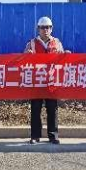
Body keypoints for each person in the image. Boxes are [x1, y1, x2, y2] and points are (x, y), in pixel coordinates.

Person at [24, 16, 65, 145]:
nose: (45, 30)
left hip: (51, 81)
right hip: (37, 81)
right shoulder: (31, 43)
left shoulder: (57, 43)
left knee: (52, 108)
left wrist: (66, 55)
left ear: (51, 29)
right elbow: (23, 60)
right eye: (42, 27)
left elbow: (62, 58)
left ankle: (53, 135)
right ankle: (35, 136)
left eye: (48, 27)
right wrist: (27, 55)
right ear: (38, 29)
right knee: (35, 109)